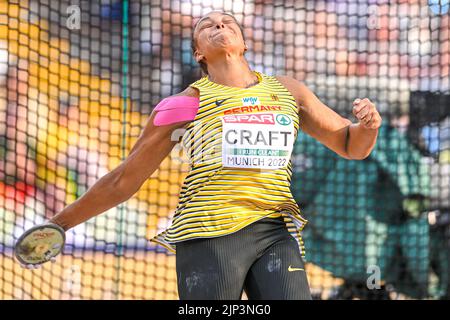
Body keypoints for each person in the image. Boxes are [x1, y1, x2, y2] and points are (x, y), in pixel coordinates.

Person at [19, 11, 382, 300]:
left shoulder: (288, 91)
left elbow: (350, 145)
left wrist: (368, 126)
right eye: (207, 25)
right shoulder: (184, 104)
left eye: (228, 22)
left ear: (242, 43)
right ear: (198, 52)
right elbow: (124, 180)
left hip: (274, 229)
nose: (219, 25)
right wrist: (60, 224)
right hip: (209, 235)